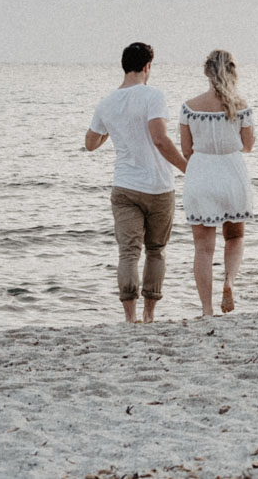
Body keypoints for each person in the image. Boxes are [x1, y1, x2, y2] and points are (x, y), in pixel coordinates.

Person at [84, 41, 187, 322]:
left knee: (128, 253)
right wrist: (188, 168)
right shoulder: (153, 95)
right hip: (159, 186)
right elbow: (160, 139)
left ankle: (130, 318)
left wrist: (111, 130)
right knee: (156, 251)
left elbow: (90, 143)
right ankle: (149, 315)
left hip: (125, 186)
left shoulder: (106, 102)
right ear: (147, 66)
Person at [180, 49, 257, 317]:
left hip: (201, 173)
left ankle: (207, 309)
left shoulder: (189, 107)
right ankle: (229, 282)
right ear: (233, 72)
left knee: (203, 248)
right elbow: (247, 146)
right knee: (235, 236)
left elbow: (186, 150)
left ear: (206, 73)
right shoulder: (241, 106)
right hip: (232, 172)